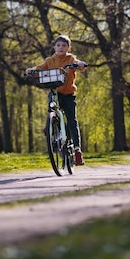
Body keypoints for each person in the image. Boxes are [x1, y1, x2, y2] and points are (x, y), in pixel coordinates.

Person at [25, 35, 87, 165]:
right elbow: (40, 69)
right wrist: (31, 70)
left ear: (68, 48)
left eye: (64, 45)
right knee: (51, 111)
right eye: (58, 45)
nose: (61, 48)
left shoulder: (70, 59)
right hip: (55, 92)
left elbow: (79, 65)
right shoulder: (50, 60)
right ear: (54, 47)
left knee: (72, 120)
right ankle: (50, 130)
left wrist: (80, 65)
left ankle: (77, 151)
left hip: (68, 94)